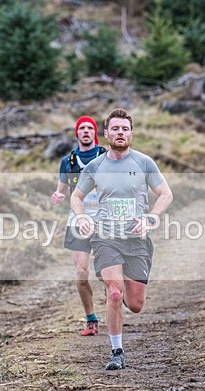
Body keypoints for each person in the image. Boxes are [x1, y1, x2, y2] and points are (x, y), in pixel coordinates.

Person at [70, 108, 173, 370]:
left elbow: (165, 194)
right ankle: (117, 351)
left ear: (131, 133)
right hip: (106, 237)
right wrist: (81, 217)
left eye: (125, 129)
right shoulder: (95, 166)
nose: (120, 133)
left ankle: (120, 289)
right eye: (115, 129)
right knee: (114, 294)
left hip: (136, 239)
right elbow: (76, 197)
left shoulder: (144, 162)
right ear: (105, 134)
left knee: (135, 304)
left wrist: (151, 218)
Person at [51, 116, 107, 336]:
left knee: (107, 273)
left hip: (104, 220)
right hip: (77, 221)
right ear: (77, 134)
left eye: (89, 128)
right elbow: (61, 191)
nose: (85, 131)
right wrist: (56, 196)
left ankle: (114, 299)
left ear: (95, 132)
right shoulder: (68, 161)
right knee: (82, 272)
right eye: (81, 128)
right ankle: (91, 319)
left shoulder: (106, 156)